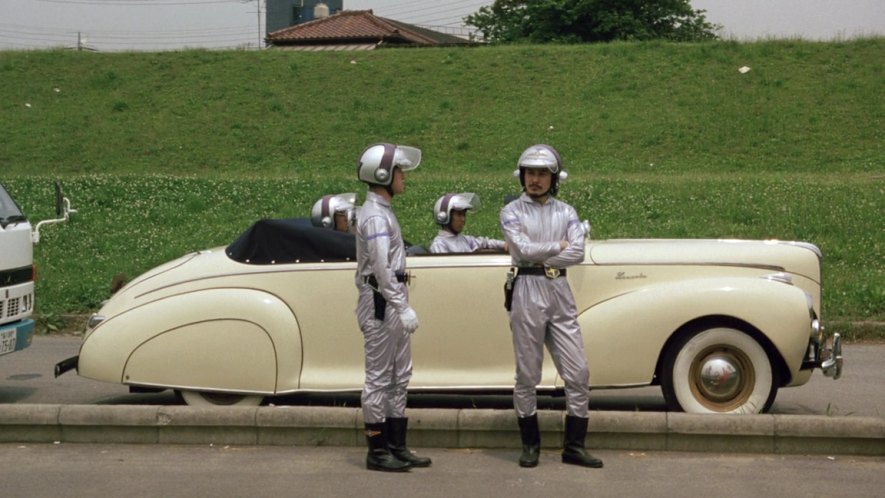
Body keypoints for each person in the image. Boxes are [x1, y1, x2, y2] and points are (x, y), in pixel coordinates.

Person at [499, 144, 603, 469]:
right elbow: (521, 249)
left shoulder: (567, 212)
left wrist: (544, 252)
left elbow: (577, 252)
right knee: (527, 373)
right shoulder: (511, 211)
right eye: (530, 173)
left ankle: (574, 446)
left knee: (579, 371)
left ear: (554, 177)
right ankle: (530, 444)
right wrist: (556, 246)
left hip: (559, 290)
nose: (535, 179)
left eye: (542, 173)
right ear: (522, 176)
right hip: (527, 289)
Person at [354, 142, 431, 472]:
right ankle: (377, 450)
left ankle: (397, 445)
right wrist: (401, 306)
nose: (404, 177)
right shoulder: (374, 217)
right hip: (381, 303)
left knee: (401, 375)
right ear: (383, 175)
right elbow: (382, 267)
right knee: (379, 378)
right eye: (399, 172)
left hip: (391, 300)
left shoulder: (382, 212)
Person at [429, 192, 507, 253]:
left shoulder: (464, 239)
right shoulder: (439, 244)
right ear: (445, 216)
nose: (463, 219)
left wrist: (504, 244)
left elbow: (485, 242)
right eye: (459, 215)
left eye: (464, 215)